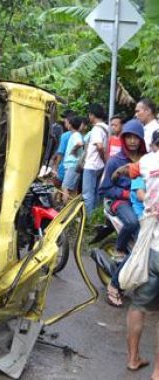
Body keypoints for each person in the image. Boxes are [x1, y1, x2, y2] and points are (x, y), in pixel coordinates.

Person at [112, 129, 159, 376]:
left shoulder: (147, 161)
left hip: (150, 248)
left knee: (138, 306)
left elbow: (121, 173)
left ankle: (133, 358)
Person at [99, 120, 147, 306]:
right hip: (119, 202)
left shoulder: (148, 159)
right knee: (137, 236)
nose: (133, 141)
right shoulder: (115, 161)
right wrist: (126, 193)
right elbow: (104, 189)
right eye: (129, 137)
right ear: (123, 139)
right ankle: (115, 285)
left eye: (136, 137)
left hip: (144, 203)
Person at [83, 103, 109, 217]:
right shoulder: (107, 128)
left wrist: (104, 159)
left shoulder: (96, 129)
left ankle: (88, 220)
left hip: (92, 165)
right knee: (97, 194)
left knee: (87, 194)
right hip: (101, 167)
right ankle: (96, 218)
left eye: (89, 115)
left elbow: (99, 146)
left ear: (92, 115)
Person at [61, 116, 85, 204]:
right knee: (72, 190)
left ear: (70, 125)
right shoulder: (76, 135)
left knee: (65, 188)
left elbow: (80, 143)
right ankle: (72, 211)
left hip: (72, 165)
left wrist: (73, 150)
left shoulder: (75, 135)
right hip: (74, 165)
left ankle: (65, 210)